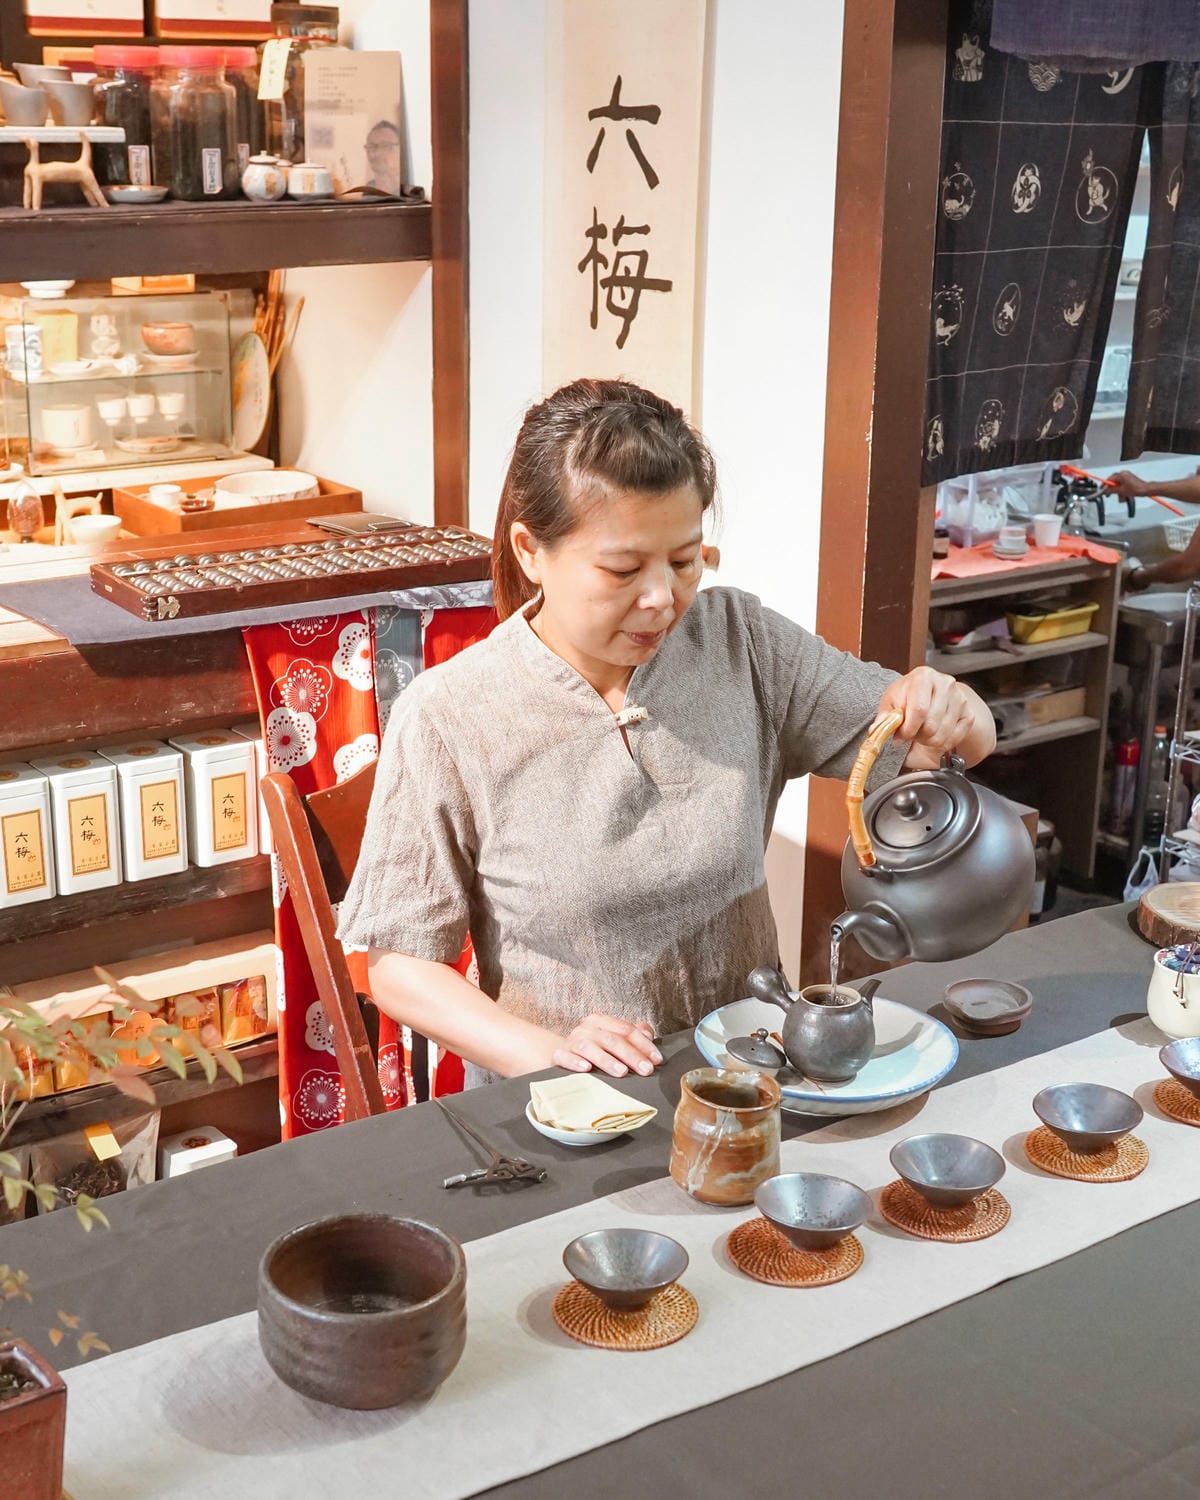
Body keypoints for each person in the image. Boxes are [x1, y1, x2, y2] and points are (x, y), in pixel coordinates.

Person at [337, 380, 996, 1082]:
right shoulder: (451, 713)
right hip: (575, 1108)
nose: (661, 599)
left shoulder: (741, 643)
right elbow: (401, 966)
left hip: (753, 1079)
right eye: (623, 569)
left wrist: (959, 710)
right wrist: (548, 1055)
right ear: (531, 551)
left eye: (684, 561)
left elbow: (937, 748)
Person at [364, 119, 402, 197]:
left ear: (402, 150)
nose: (377, 153)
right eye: (371, 147)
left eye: (385, 146)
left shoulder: (411, 192)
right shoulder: (365, 193)